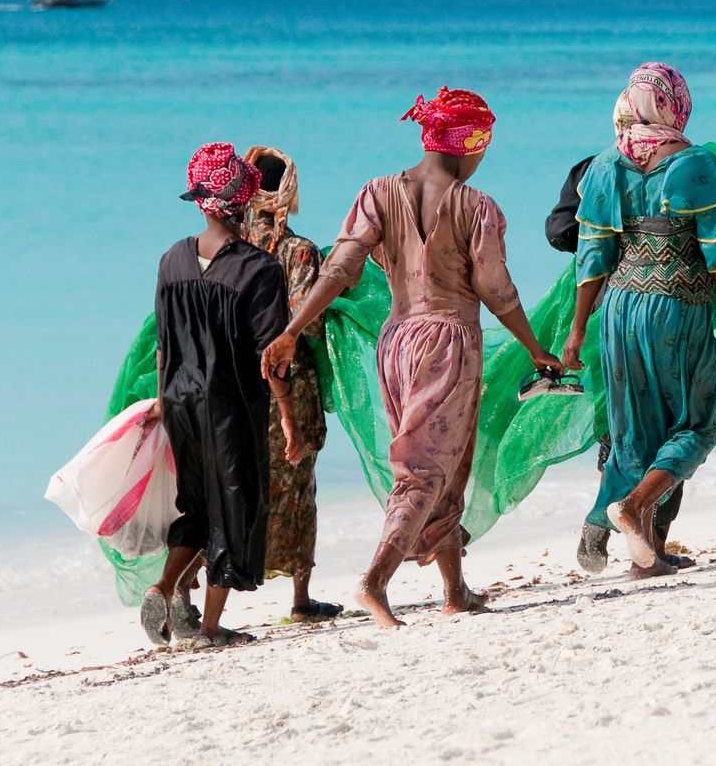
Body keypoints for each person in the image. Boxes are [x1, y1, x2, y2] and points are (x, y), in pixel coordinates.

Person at [261, 87, 562, 628]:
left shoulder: (376, 193)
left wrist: (291, 331)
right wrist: (536, 349)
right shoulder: (477, 207)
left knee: (443, 462)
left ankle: (456, 589)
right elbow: (497, 291)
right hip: (449, 339)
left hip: (396, 341)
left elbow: (340, 270)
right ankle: (375, 581)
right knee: (426, 470)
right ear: (468, 143)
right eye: (482, 147)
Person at [561, 63, 716, 577]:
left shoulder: (605, 166)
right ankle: (628, 510)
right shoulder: (699, 166)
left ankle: (645, 552)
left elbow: (592, 258)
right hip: (677, 307)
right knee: (697, 425)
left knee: (633, 432)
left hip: (618, 308)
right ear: (675, 103)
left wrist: (578, 329)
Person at [140, 143, 301, 649]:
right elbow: (271, 357)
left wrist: (162, 402)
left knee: (194, 504)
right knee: (236, 505)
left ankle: (164, 586)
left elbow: (163, 343)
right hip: (230, 404)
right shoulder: (258, 268)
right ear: (245, 203)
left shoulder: (172, 260)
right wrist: (289, 417)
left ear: (202, 201)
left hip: (178, 400)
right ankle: (209, 627)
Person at [242, 145, 343, 624]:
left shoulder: (225, 246)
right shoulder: (299, 251)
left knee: (233, 480)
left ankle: (197, 590)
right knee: (297, 482)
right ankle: (300, 598)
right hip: (290, 380)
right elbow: (309, 322)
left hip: (234, 381)